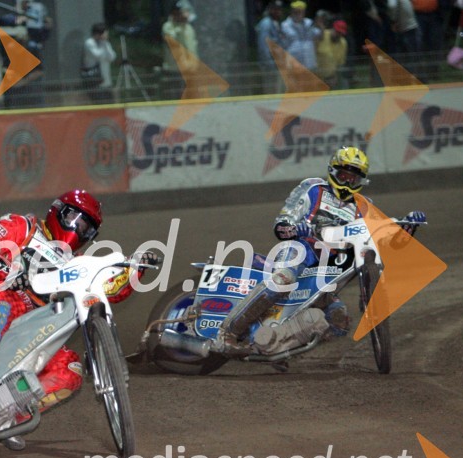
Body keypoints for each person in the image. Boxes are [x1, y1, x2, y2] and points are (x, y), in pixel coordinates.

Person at [0, 190, 157, 448]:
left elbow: (107, 291)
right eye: (74, 218)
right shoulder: (23, 225)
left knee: (69, 371)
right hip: (1, 297)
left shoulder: (74, 262)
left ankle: (4, 419)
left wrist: (134, 271)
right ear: (57, 211)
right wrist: (9, 271)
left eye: (85, 227)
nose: (77, 228)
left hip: (34, 320)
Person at [216, 147, 426, 353]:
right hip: (300, 249)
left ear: (361, 181)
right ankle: (228, 332)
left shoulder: (365, 206)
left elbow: (386, 242)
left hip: (328, 271)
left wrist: (406, 228)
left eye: (353, 178)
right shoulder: (313, 188)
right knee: (283, 280)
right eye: (343, 175)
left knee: (339, 321)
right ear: (333, 171)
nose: (347, 182)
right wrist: (293, 227)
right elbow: (282, 221)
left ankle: (279, 345)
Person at [161, 3, 199, 101]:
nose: (187, 15)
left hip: (190, 69)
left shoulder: (189, 28)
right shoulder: (168, 27)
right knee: (176, 97)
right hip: (175, 69)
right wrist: (178, 26)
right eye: (184, 12)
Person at [81, 23, 117, 104]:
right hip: (95, 81)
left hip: (106, 81)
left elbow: (112, 57)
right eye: (104, 33)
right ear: (98, 34)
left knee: (111, 104)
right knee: (99, 105)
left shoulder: (105, 43)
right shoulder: (89, 43)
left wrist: (105, 43)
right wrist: (103, 44)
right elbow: (97, 55)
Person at [281, 1, 322, 72]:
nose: (298, 14)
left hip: (309, 64)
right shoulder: (285, 25)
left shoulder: (309, 23)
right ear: (292, 12)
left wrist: (321, 26)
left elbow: (318, 35)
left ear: (304, 12)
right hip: (293, 66)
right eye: (296, 12)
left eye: (300, 12)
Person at [256, 0, 286, 95]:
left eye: (279, 9)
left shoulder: (276, 23)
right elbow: (263, 46)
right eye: (275, 9)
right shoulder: (266, 23)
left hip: (277, 65)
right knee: (271, 94)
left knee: (277, 92)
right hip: (270, 66)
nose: (278, 12)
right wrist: (269, 65)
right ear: (270, 10)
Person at [316, 18, 349, 88]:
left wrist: (335, 76)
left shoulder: (343, 43)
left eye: (341, 33)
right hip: (316, 75)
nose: (338, 35)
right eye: (337, 32)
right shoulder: (322, 35)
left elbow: (340, 63)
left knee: (344, 84)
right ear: (333, 28)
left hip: (331, 77)